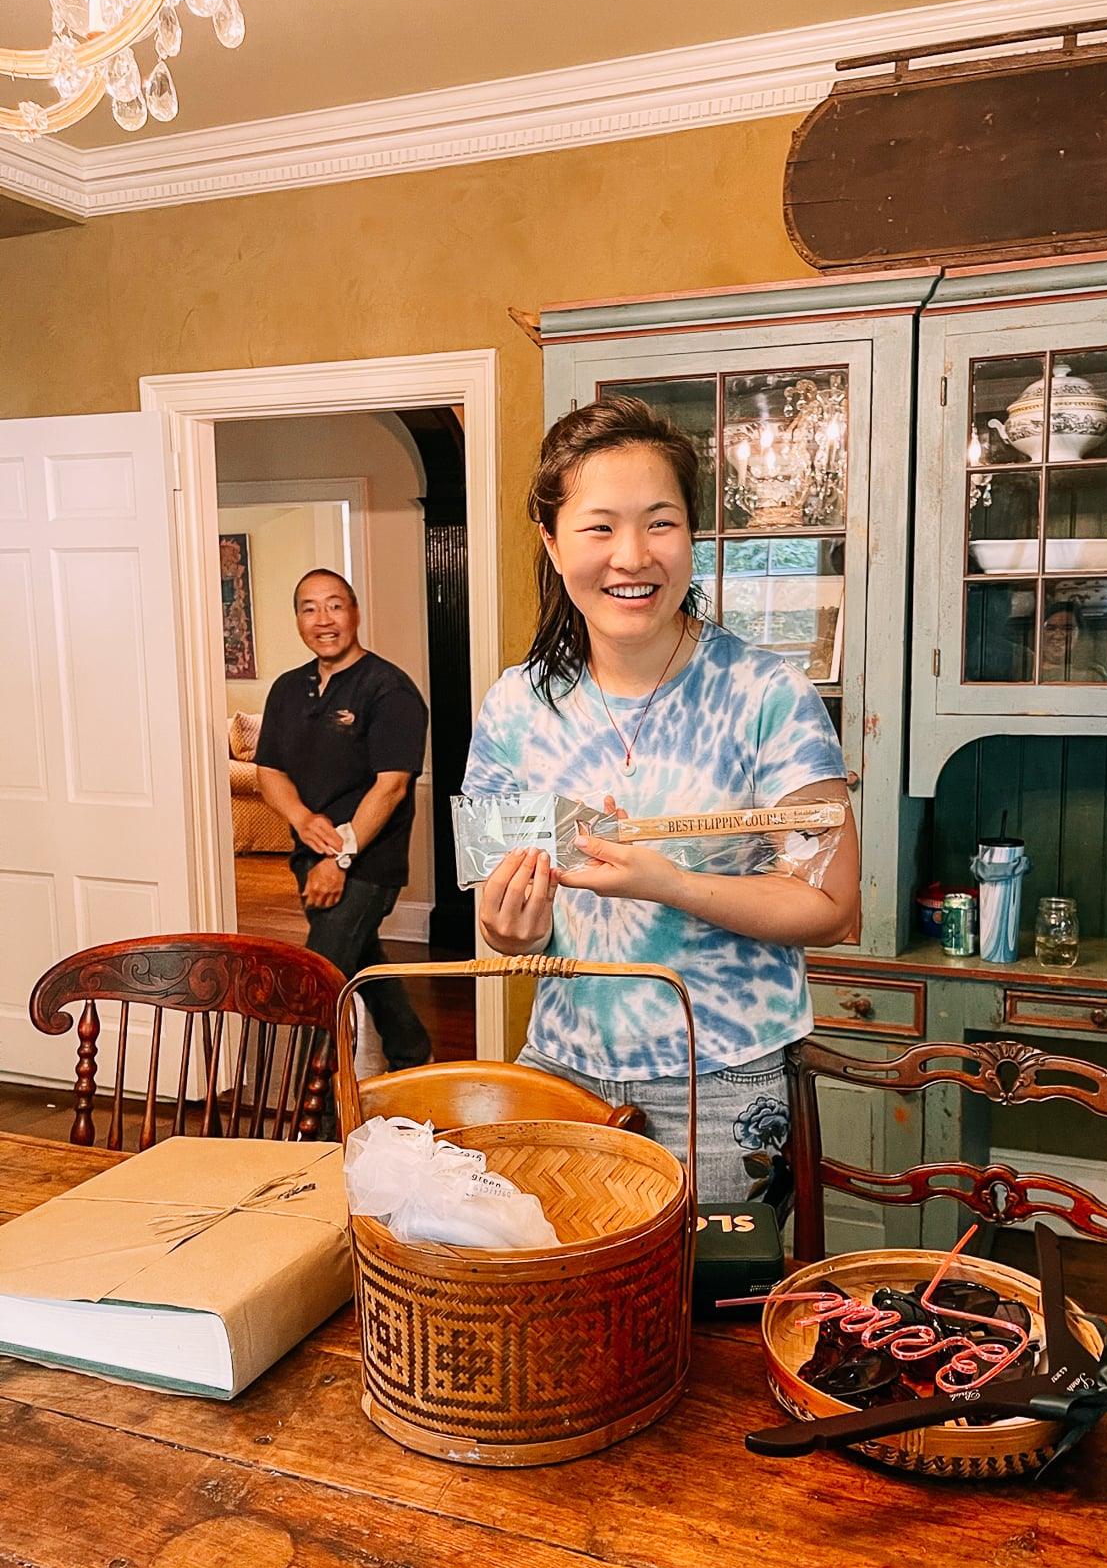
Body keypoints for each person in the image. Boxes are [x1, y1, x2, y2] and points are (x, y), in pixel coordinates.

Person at [461, 397, 860, 1201]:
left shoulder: (766, 694)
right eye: (599, 526)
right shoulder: (515, 705)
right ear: (552, 540)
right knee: (565, 1305)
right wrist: (511, 926)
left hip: (723, 1081)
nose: (632, 556)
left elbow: (832, 908)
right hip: (564, 1069)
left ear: (691, 535)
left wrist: (666, 881)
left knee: (706, 1313)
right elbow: (500, 927)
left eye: (660, 523)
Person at [256, 569, 432, 1072]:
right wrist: (302, 816)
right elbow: (269, 770)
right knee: (362, 961)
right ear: (298, 620)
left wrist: (340, 856)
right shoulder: (288, 689)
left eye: (334, 605)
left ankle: (317, 1115)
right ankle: (413, 1055)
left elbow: (391, 785)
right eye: (309, 608)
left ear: (354, 612)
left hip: (367, 863)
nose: (323, 620)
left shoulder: (388, 689)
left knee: (317, 981)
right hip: (307, 856)